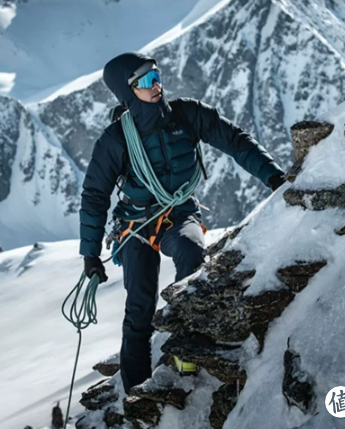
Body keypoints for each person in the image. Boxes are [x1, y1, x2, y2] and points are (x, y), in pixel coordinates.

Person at [79, 52, 285, 393]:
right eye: (144, 81)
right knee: (140, 306)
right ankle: (136, 390)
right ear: (127, 92)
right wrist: (89, 255)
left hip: (180, 212)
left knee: (191, 255)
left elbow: (234, 140)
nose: (156, 85)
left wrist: (273, 176)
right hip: (136, 224)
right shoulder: (115, 139)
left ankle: (185, 354)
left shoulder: (187, 114)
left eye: (156, 75)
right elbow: (95, 195)